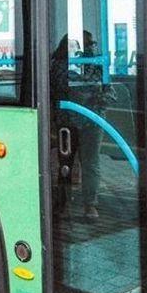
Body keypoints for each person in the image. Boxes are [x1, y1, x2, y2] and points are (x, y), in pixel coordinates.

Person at [51, 31, 104, 219]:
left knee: (87, 163)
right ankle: (66, 205)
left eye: (86, 45)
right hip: (69, 120)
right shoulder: (59, 64)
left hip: (90, 120)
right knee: (68, 163)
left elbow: (107, 90)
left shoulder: (96, 63)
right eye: (76, 45)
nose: (82, 50)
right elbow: (63, 85)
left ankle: (89, 204)